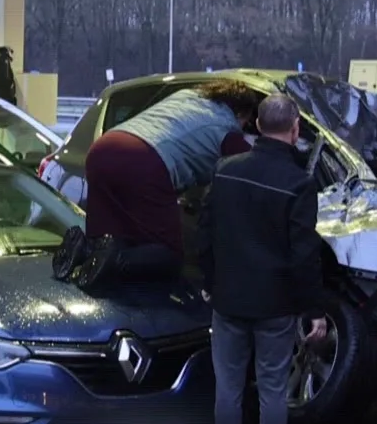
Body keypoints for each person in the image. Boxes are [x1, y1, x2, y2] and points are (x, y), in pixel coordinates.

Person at [202, 95, 331, 424]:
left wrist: (210, 281)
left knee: (229, 388)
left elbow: (206, 234)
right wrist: (314, 310)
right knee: (273, 390)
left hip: (228, 301)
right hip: (275, 305)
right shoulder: (299, 184)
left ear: (256, 126)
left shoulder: (225, 171)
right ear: (294, 131)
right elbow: (303, 255)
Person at [57, 79, 259, 286]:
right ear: (241, 113)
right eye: (246, 122)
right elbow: (256, 167)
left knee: (108, 239)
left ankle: (83, 249)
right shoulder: (227, 128)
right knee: (168, 255)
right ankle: (117, 260)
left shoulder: (185, 96)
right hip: (143, 161)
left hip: (103, 149)